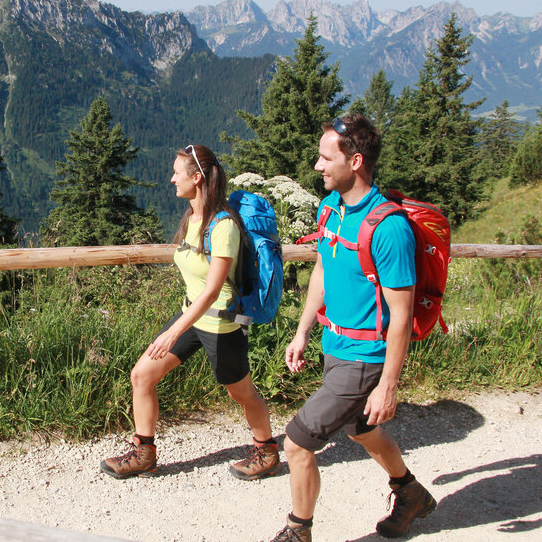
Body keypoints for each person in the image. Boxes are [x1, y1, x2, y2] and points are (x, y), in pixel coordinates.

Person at [271, 115, 436, 541]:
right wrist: (304, 329)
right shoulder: (332, 208)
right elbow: (324, 271)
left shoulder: (389, 228)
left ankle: (298, 530)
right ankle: (410, 492)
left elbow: (400, 315)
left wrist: (389, 384)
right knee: (362, 429)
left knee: (296, 442)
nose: (317, 166)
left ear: (356, 161)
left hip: (365, 358)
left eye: (326, 158)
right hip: (335, 345)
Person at [101, 144, 279, 481]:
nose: (171, 179)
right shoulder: (193, 218)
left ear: (196, 178)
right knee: (142, 375)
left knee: (240, 391)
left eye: (177, 173)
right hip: (192, 317)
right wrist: (180, 325)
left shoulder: (224, 225)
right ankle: (144, 453)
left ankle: (267, 450)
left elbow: (213, 290)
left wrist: (172, 332)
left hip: (221, 324)